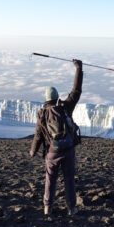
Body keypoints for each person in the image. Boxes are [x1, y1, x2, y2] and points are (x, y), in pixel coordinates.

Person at [30, 59, 83, 216]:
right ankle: (71, 208)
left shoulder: (42, 115)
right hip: (68, 150)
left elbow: (38, 135)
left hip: (52, 152)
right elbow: (76, 91)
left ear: (46, 99)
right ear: (57, 97)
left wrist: (33, 151)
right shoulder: (65, 108)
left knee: (50, 180)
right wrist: (79, 69)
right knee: (69, 180)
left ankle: (48, 208)